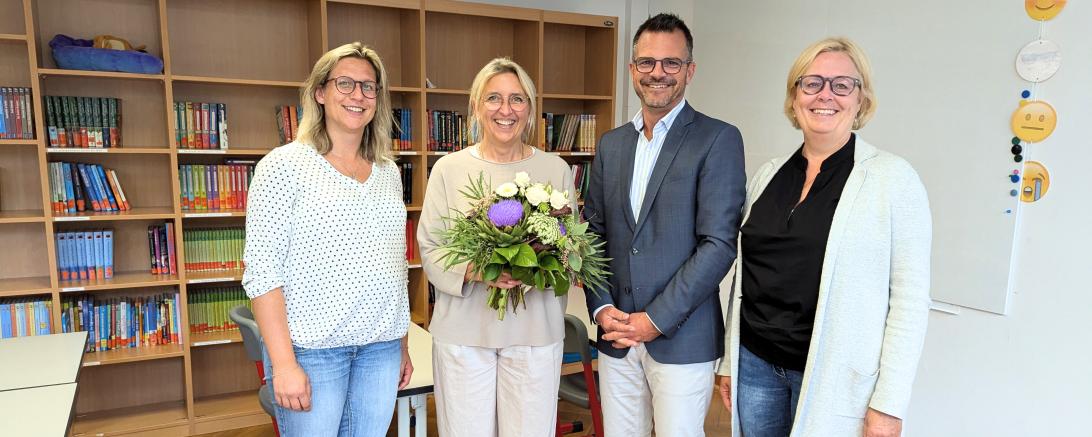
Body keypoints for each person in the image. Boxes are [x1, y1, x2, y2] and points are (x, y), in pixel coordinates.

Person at [716, 37, 932, 437]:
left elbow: (910, 301)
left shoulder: (893, 180)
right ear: (795, 97)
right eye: (811, 83)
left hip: (833, 377)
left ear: (861, 98)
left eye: (841, 84)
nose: (825, 95)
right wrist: (730, 359)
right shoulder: (768, 175)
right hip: (755, 364)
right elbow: (747, 278)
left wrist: (889, 404)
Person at [582, 13, 746, 437]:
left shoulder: (718, 139)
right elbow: (592, 234)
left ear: (690, 70)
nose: (658, 73)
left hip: (681, 338)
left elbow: (718, 245)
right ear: (632, 69)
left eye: (671, 63)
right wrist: (602, 309)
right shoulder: (611, 144)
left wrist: (653, 319)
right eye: (647, 62)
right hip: (616, 336)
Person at [242, 42, 413, 437]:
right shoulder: (283, 166)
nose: (358, 96)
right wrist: (283, 365)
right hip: (312, 350)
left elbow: (395, 263)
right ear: (320, 92)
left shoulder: (388, 171)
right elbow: (262, 273)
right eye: (346, 84)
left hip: (381, 348)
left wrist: (401, 342)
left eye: (369, 87)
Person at [417, 57, 577, 437]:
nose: (505, 110)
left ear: (531, 110)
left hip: (535, 333)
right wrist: (481, 271)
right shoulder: (448, 169)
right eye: (493, 98)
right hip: (463, 334)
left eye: (517, 100)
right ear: (475, 106)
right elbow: (431, 245)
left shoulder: (556, 169)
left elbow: (571, 247)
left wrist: (531, 266)